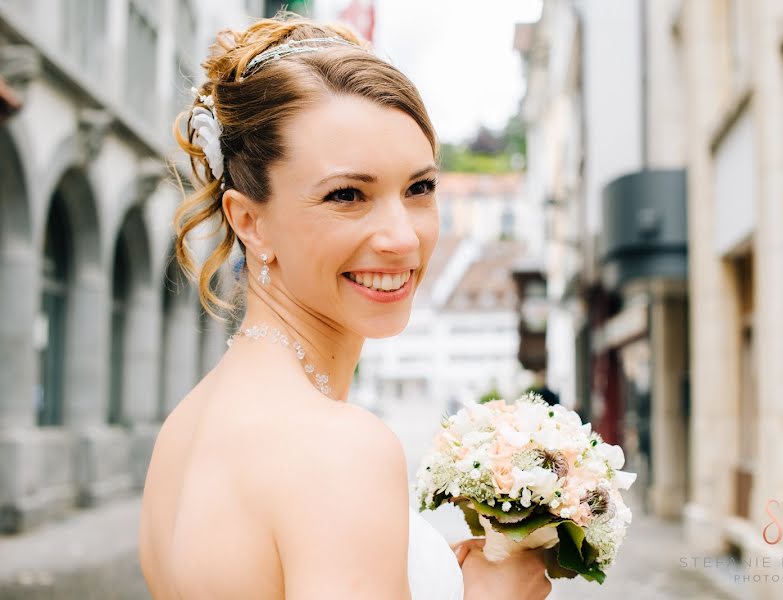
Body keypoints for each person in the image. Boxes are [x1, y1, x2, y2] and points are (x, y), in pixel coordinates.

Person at [138, 13, 551, 600]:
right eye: (347, 195)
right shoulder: (339, 447)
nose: (403, 238)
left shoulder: (182, 434)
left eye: (420, 188)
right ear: (250, 221)